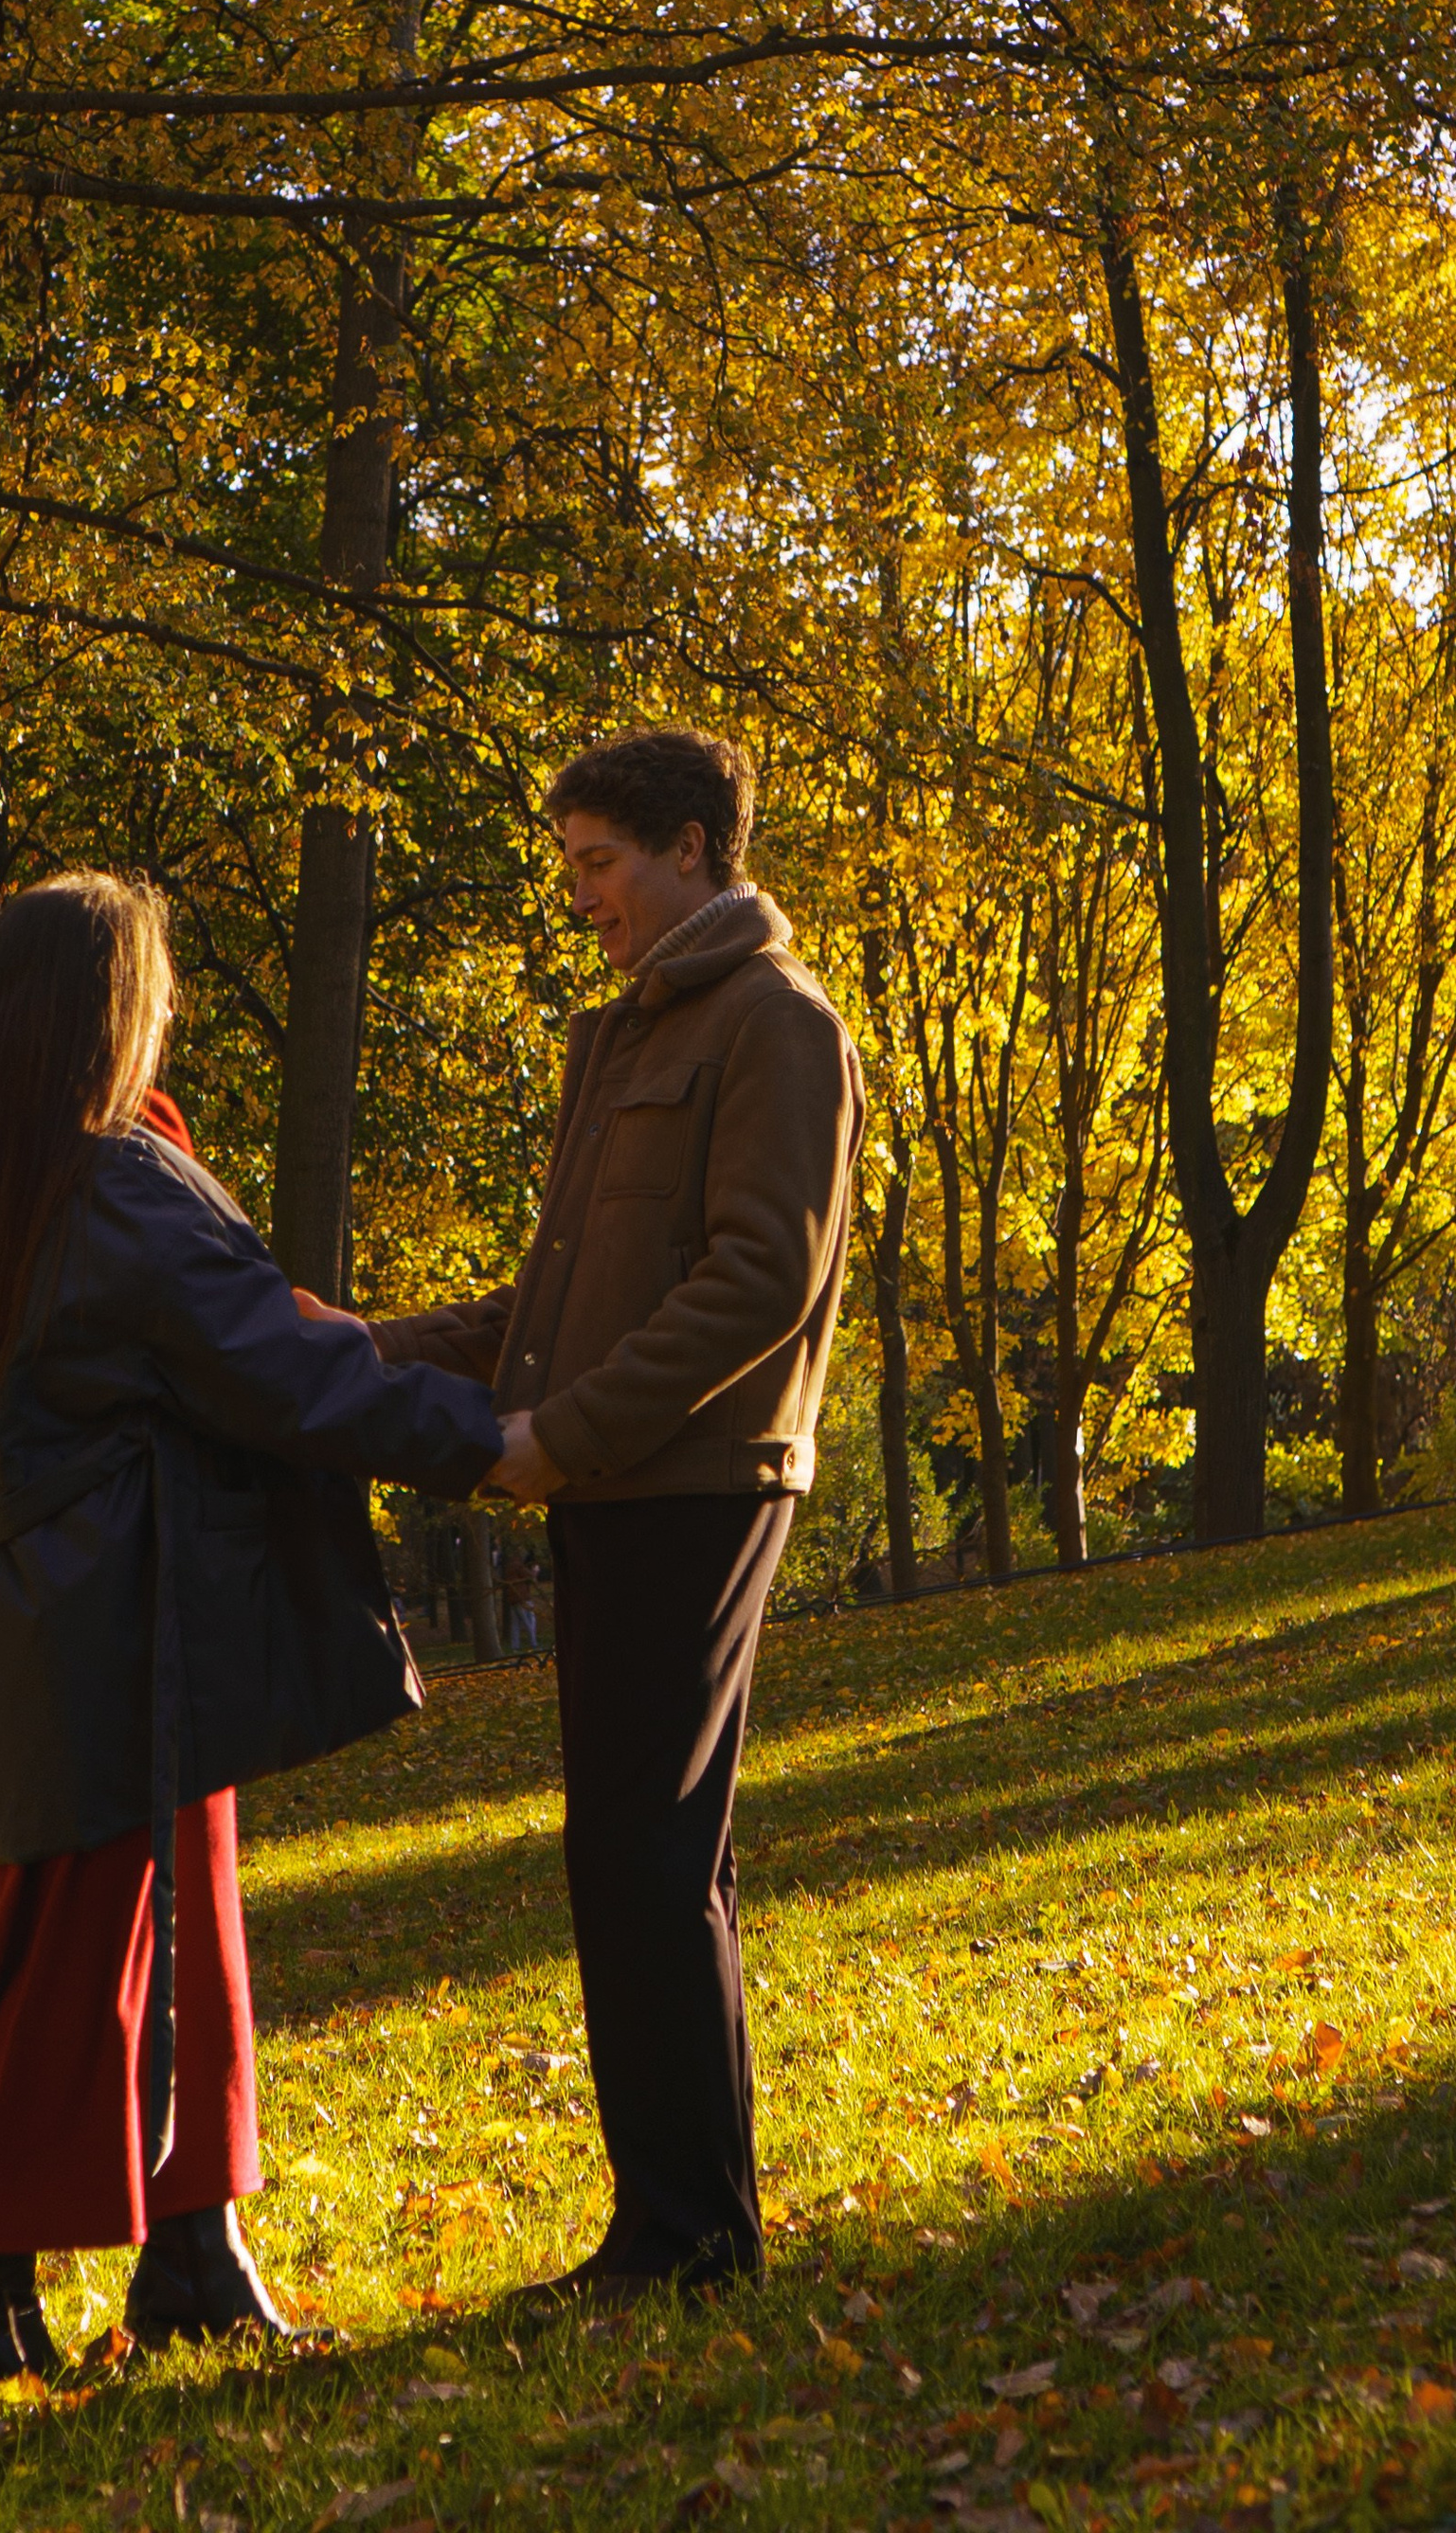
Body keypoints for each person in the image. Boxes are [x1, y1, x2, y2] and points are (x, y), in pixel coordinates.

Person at [0, 871, 503, 2385]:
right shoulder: (107, 1181)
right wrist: (491, 1440)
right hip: (126, 1613)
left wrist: (469, 1344)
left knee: (164, 1933)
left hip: (83, 1606)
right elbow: (272, 1368)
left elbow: (252, 1335)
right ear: (116, 999)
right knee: (93, 1945)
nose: (170, 1010)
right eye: (157, 985)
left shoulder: (3, 1163)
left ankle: (193, 2253)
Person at [351, 727, 864, 2308]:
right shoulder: (629, 1038)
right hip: (617, 1488)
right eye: (570, 864)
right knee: (628, 1855)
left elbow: (757, 1284)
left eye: (599, 864)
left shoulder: (777, 1026)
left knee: (649, 1856)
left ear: (695, 846)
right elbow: (557, 1304)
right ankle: (670, 2226)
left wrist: (556, 1441)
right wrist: (350, 1349)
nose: (580, 897)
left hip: (696, 1489)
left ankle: (694, 2240)